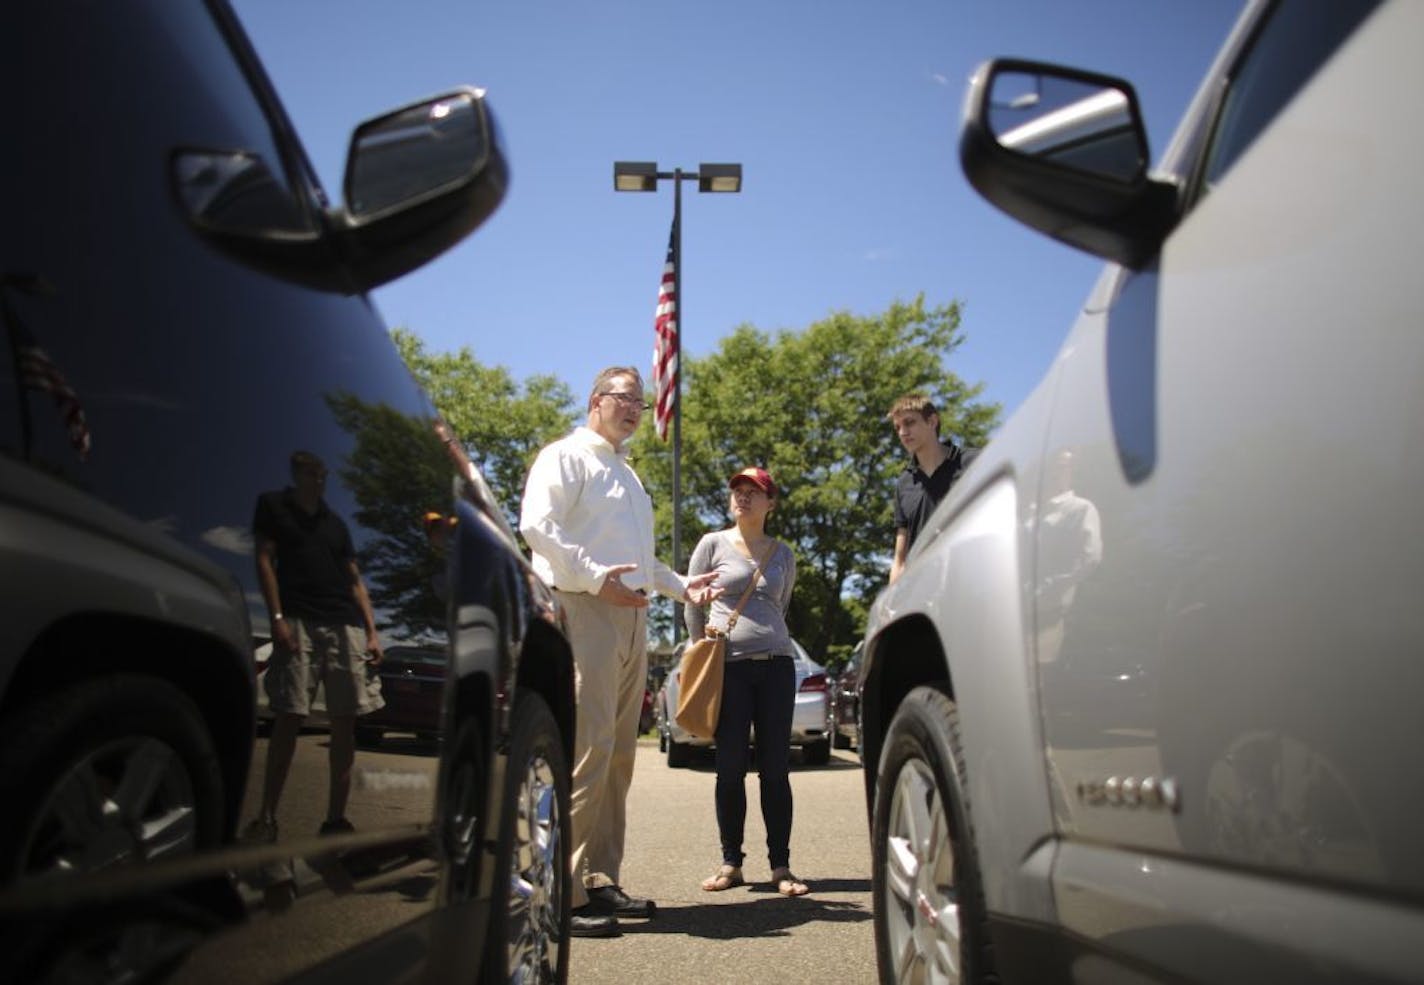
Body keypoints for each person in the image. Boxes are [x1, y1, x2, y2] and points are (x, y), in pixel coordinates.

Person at [519, 366, 723, 938]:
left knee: (619, 757)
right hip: (584, 609)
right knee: (588, 749)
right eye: (625, 398)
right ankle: (561, 890)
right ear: (595, 401)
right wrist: (591, 577)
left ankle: (600, 877)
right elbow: (536, 526)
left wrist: (684, 586)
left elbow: (642, 560)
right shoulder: (564, 457)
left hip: (632, 616)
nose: (635, 407)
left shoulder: (629, 476)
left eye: (641, 399)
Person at [246, 450, 384, 842]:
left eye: (322, 473)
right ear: (296, 473)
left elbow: (355, 581)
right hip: (299, 620)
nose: (318, 479)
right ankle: (267, 817)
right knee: (290, 714)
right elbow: (263, 559)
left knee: (345, 721)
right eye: (310, 472)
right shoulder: (274, 506)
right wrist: (276, 619)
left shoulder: (335, 524)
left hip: (345, 626)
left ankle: (335, 820)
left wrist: (371, 631)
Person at [687, 466, 809, 898]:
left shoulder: (783, 554)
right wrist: (699, 646)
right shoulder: (712, 544)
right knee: (730, 767)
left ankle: (781, 866)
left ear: (770, 503)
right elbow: (693, 602)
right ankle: (731, 863)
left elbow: (782, 602)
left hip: (776, 665)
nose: (742, 496)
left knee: (776, 768)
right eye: (738, 490)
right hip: (730, 669)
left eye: (753, 491)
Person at [888, 393, 979, 583]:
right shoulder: (904, 483)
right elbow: (900, 559)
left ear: (932, 421)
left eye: (909, 422)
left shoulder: (974, 462)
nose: (902, 432)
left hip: (973, 581)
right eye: (898, 427)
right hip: (920, 592)